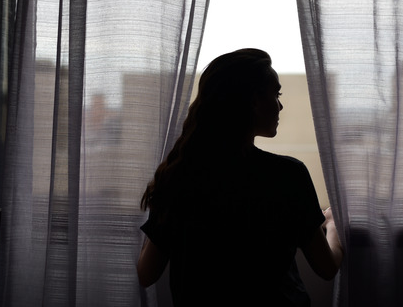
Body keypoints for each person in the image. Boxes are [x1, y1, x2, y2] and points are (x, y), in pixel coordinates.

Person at [137, 48, 343, 306]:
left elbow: (146, 274)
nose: (280, 105)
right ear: (254, 102)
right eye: (276, 94)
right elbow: (327, 267)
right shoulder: (288, 176)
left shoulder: (181, 176)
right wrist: (333, 226)